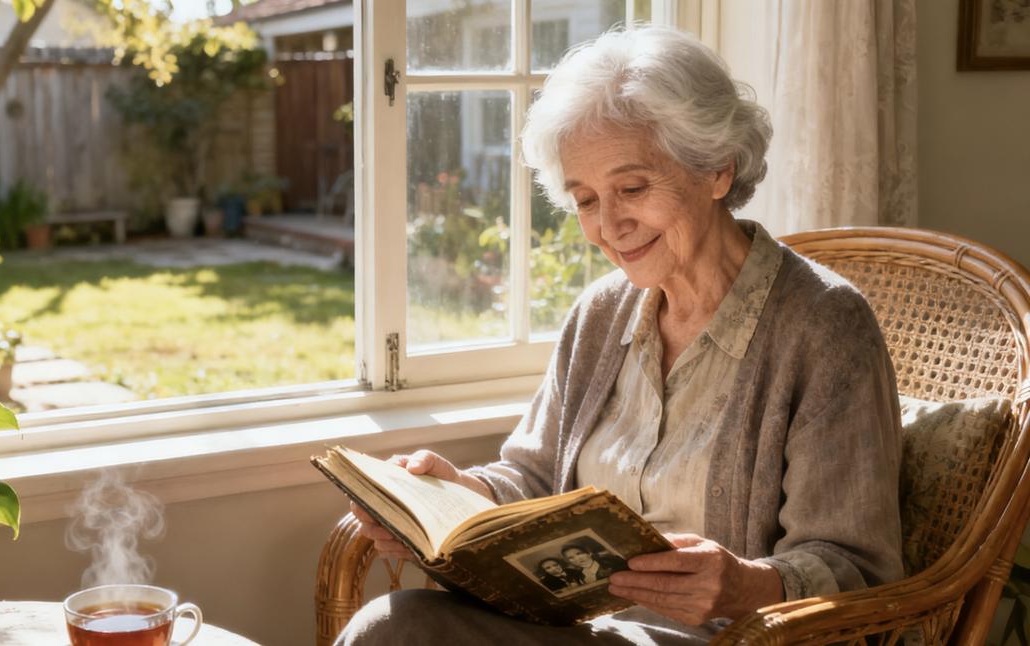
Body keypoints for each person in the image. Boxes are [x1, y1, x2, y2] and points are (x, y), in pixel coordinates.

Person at [337, 23, 903, 646]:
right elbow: (535, 480)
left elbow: (859, 572)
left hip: (727, 638)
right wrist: (459, 493)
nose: (609, 226)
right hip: (581, 631)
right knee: (394, 623)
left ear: (717, 169)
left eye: (632, 188)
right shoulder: (601, 314)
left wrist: (742, 584)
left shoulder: (824, 325)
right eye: (585, 200)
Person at [561, 543, 627, 584]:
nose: (577, 558)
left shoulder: (610, 564)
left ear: (589, 553)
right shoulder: (579, 576)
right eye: (571, 558)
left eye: (579, 553)